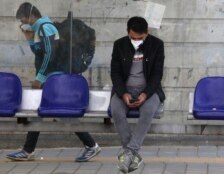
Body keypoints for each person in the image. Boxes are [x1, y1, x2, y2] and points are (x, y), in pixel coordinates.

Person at [6, 2, 101, 162]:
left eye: (22, 20)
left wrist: (40, 78)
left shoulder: (44, 27)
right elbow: (40, 52)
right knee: (41, 111)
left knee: (58, 113)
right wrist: (29, 39)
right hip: (51, 76)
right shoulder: (38, 28)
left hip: (54, 77)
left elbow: (50, 53)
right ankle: (28, 150)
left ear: (30, 16)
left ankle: (91, 145)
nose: (22, 23)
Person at [110, 16, 165, 173]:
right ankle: (132, 155)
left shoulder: (157, 45)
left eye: (140, 38)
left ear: (146, 33)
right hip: (125, 89)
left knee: (148, 111)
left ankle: (129, 152)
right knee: (116, 111)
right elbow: (115, 73)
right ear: (128, 33)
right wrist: (123, 93)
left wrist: (145, 94)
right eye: (133, 38)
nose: (136, 40)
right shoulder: (119, 45)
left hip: (149, 90)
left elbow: (157, 74)